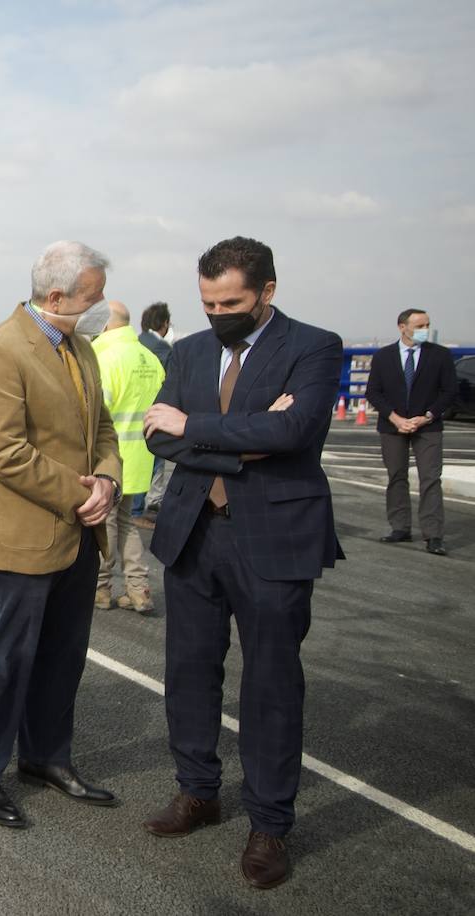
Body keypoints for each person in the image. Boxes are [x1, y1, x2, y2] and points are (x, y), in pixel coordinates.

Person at [142, 236, 343, 890]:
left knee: (272, 686)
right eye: (208, 302)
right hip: (195, 533)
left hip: (274, 540)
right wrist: (246, 440)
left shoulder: (312, 346)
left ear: (267, 293)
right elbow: (155, 436)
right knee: (189, 672)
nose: (218, 312)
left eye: (231, 301)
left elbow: (294, 433)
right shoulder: (190, 351)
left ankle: (269, 823)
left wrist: (194, 427)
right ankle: (198, 790)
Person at [0, 241, 121, 830]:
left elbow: (100, 425)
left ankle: (47, 757)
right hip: (28, 533)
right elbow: (4, 452)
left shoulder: (83, 349)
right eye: (92, 297)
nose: (100, 305)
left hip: (80, 532)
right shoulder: (0, 351)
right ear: (56, 296)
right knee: (5, 659)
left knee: (62, 656)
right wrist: (83, 494)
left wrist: (106, 477)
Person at [364, 308, 457, 556]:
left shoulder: (440, 356)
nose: (424, 330)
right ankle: (400, 527)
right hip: (392, 425)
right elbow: (373, 392)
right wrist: (395, 418)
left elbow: (449, 391)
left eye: (427, 325)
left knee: (430, 479)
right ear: (402, 327)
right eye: (419, 326)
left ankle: (434, 535)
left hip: (428, 426)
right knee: (396, 476)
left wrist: (426, 417)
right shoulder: (383, 357)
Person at [91, 300, 164, 613]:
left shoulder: (103, 357)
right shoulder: (150, 357)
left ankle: (101, 588)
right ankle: (138, 589)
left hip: (110, 456)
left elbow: (96, 413)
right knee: (127, 522)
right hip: (141, 457)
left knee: (104, 522)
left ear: (105, 324)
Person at [138, 301, 174, 525]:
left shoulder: (135, 343)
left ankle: (134, 508)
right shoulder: (162, 349)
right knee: (155, 462)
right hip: (154, 413)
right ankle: (151, 505)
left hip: (126, 418)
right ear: (165, 324)